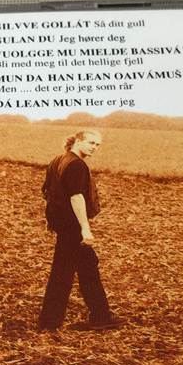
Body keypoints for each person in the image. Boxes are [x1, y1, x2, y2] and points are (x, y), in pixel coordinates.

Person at [38, 129, 119, 331]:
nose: (95, 148)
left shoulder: (58, 160)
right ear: (78, 141)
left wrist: (54, 218)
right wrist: (85, 228)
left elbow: (48, 192)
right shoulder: (76, 165)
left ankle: (101, 316)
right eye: (91, 143)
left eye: (98, 145)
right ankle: (49, 322)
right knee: (63, 273)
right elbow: (76, 197)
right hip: (72, 228)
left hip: (64, 225)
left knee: (87, 267)